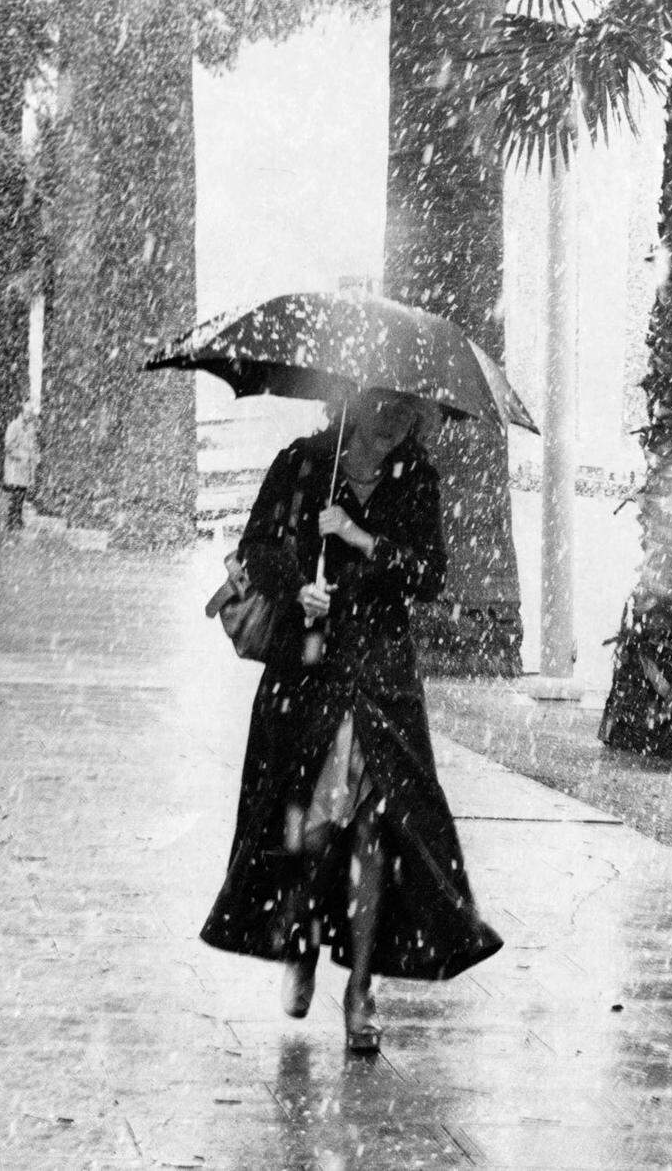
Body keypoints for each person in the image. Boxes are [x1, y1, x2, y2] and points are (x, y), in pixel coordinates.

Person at [201, 388, 502, 1052]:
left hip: (380, 680)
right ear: (355, 401)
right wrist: (295, 584)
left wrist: (360, 537)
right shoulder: (304, 462)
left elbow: (429, 576)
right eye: (385, 403)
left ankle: (360, 989)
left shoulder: (417, 479)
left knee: (374, 834)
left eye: (409, 408)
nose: (396, 417)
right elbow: (256, 547)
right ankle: (300, 948)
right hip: (310, 672)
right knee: (309, 826)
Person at [2, 401, 38, 531]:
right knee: (15, 495)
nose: (29, 416)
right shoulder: (14, 426)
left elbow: (33, 447)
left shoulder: (31, 428)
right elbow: (8, 447)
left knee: (22, 495)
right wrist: (21, 455)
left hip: (25, 469)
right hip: (15, 468)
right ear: (22, 412)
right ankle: (11, 521)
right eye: (27, 413)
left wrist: (33, 460)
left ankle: (17, 519)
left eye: (31, 414)